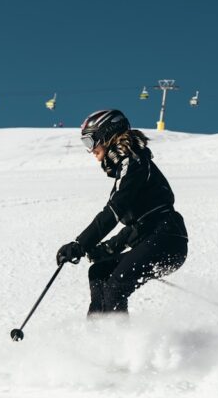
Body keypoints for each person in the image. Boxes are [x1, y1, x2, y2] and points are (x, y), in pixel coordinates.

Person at [56, 109, 188, 316]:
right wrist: (108, 248)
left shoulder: (133, 163)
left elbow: (114, 211)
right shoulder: (129, 165)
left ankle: (117, 341)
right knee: (99, 272)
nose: (91, 150)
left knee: (115, 287)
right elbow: (140, 224)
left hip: (166, 240)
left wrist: (81, 244)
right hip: (157, 237)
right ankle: (96, 336)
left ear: (107, 134)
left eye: (90, 142)